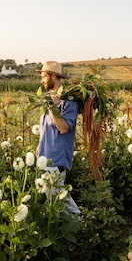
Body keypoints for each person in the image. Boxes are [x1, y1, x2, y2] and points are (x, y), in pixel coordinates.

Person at [36, 61, 81, 215]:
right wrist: (39, 148)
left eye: (44, 76)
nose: (41, 81)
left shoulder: (69, 101)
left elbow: (63, 129)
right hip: (45, 157)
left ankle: (80, 223)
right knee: (51, 198)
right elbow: (45, 129)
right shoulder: (47, 98)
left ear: (53, 76)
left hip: (57, 158)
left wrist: (54, 107)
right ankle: (68, 227)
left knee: (59, 196)